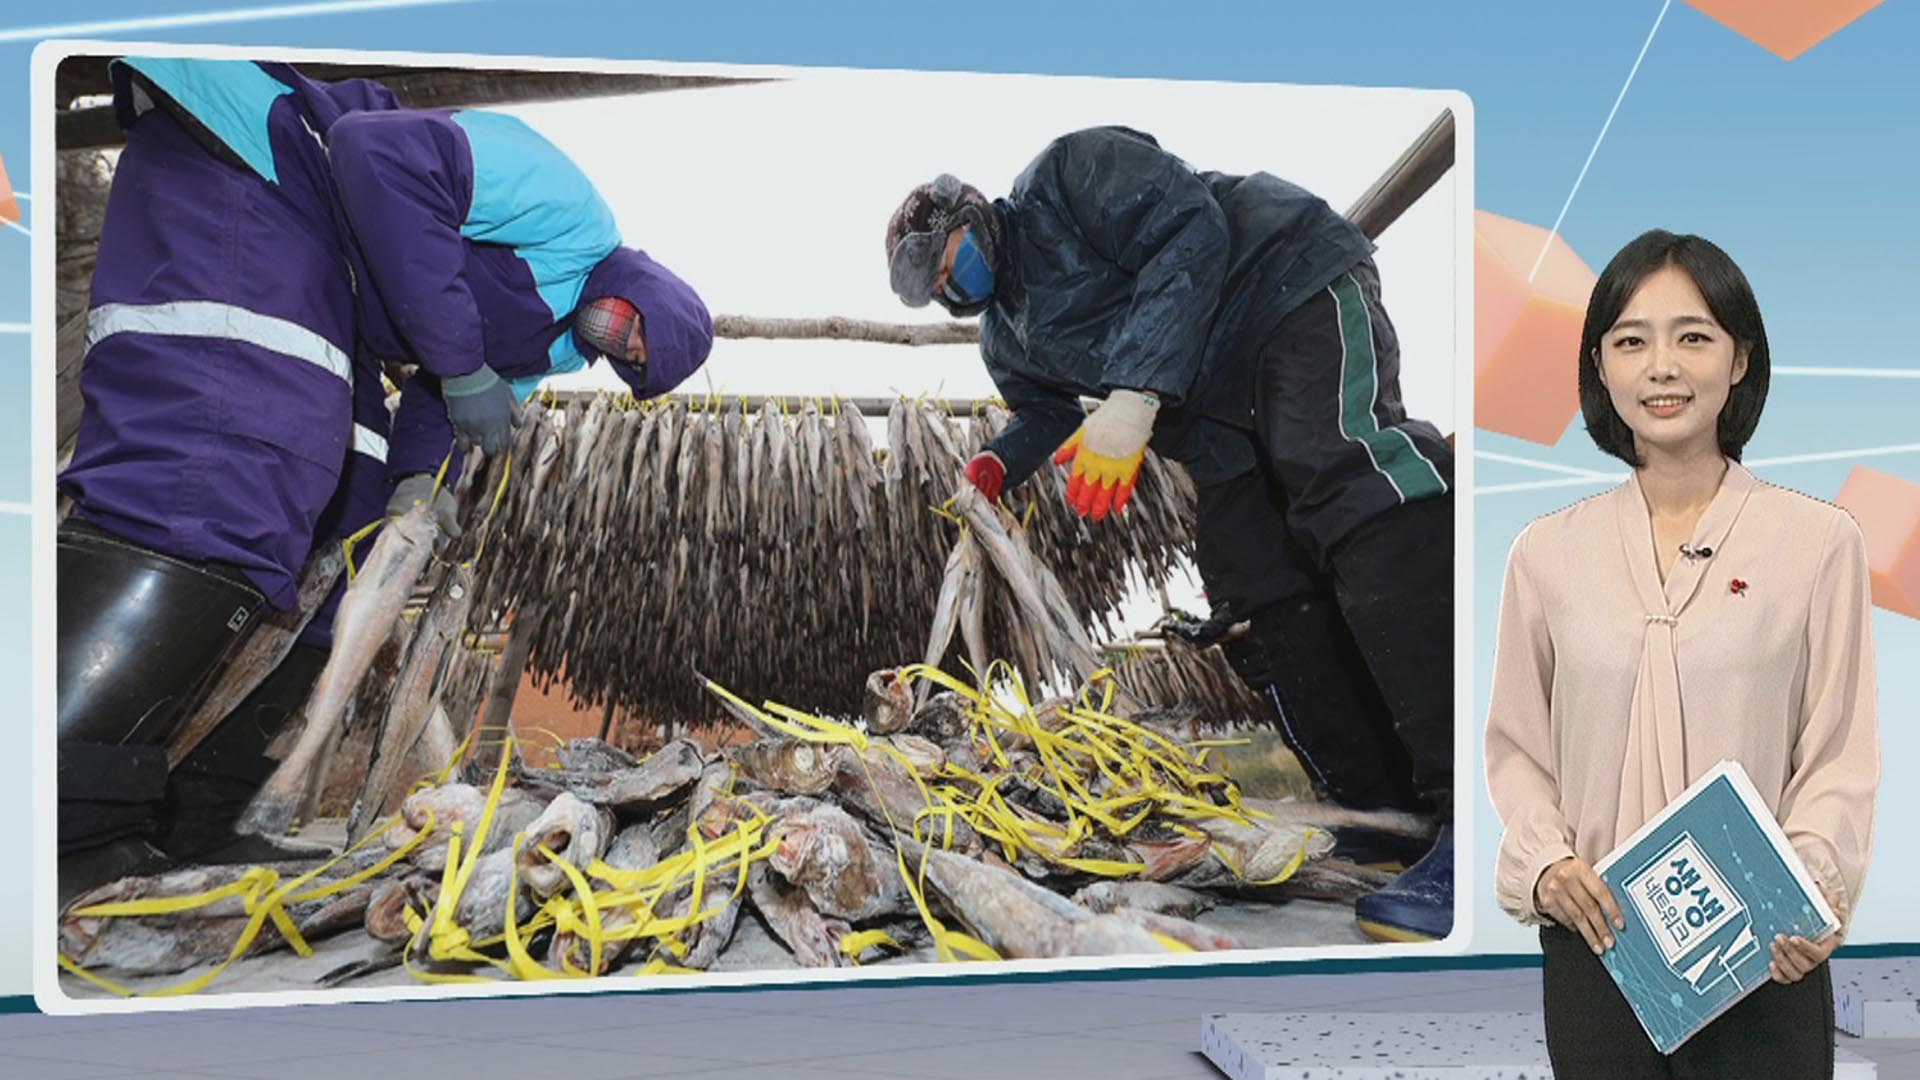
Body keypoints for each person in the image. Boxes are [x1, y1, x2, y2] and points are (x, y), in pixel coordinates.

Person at [883, 126, 1456, 940]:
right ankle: (1383, 814)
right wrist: (998, 463)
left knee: (1354, 491)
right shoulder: (1004, 338)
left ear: (977, 216)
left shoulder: (1066, 177)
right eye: (943, 288)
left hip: (1282, 294)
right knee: (1254, 587)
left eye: (956, 263)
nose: (957, 287)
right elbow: (1043, 411)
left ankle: (1472, 804)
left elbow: (1190, 226)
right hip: (1215, 416)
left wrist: (1135, 393)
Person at [1485, 230, 1878, 1078]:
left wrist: (1809, 892)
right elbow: (1518, 751)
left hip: (1762, 951)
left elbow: (1838, 753)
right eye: (1631, 342)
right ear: (1600, 366)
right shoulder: (1545, 554)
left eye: (1692, 336)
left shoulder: (1818, 542)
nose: (1661, 367)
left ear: (1740, 359)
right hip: (1598, 945)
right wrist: (1546, 864)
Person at [55, 57, 403, 894]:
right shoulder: (292, 129)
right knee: (203, 484)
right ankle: (62, 820)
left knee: (331, 546)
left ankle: (202, 817)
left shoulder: (350, 205)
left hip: (322, 287)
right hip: (242, 220)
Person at [321, 103, 715, 501]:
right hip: (318, 220)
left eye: (637, 361)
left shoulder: (559, 354)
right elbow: (372, 148)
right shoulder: (573, 213)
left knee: (353, 492)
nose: (629, 348)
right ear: (649, 290)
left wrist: (424, 475)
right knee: (298, 453)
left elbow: (452, 397)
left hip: (346, 329)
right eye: (645, 330)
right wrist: (461, 363)